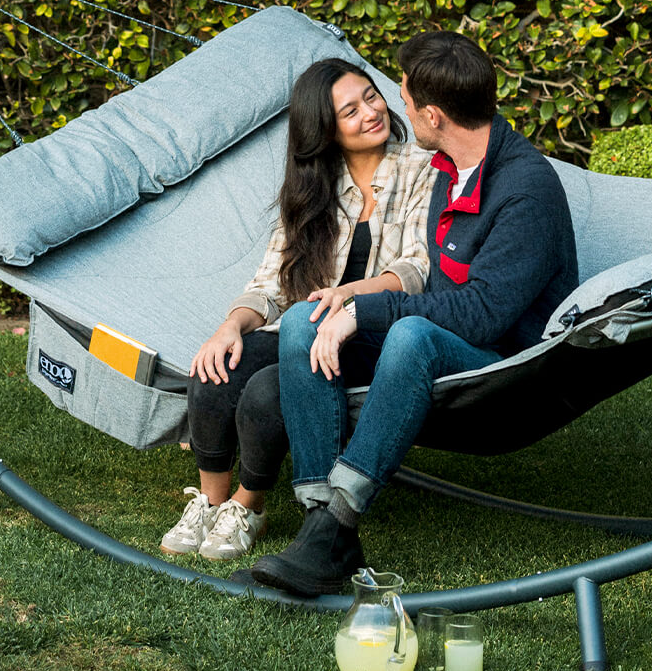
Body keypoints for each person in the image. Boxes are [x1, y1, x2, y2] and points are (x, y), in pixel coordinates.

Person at [248, 31, 579, 595]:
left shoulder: (526, 189)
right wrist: (346, 305)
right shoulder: (448, 168)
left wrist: (367, 310)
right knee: (307, 320)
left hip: (504, 362)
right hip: (440, 330)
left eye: (401, 100)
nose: (395, 109)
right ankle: (320, 526)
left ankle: (340, 520)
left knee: (410, 335)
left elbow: (482, 316)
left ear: (433, 114)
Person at [161, 57, 435, 561]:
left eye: (371, 97)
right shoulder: (313, 188)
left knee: (267, 391)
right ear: (325, 131)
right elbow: (270, 284)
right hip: (301, 328)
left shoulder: (421, 167)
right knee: (214, 370)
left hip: (371, 335)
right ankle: (211, 502)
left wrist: (350, 295)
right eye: (349, 111)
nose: (370, 113)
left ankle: (249, 505)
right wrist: (230, 326)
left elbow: (418, 268)